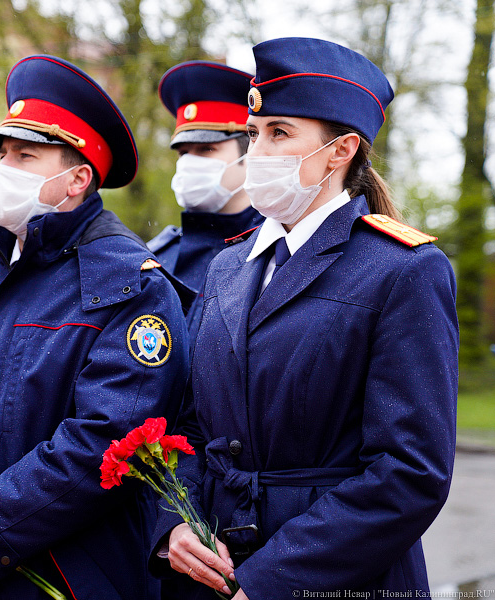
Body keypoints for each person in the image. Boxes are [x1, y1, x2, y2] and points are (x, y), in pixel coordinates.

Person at [150, 37, 459, 598]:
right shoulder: (228, 266)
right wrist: (174, 522)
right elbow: (190, 426)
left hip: (330, 578)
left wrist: (274, 580)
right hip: (211, 571)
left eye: (280, 133)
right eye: (254, 133)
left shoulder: (403, 270)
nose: (257, 152)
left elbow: (409, 472)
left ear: (341, 151)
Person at [0, 55, 191, 600]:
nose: (5, 169)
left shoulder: (130, 286)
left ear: (77, 178)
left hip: (67, 579)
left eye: (26, 155)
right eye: (4, 154)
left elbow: (103, 440)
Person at [148, 61, 263, 330]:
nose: (189, 163)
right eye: (183, 153)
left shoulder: (275, 252)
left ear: (250, 155)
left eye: (206, 149)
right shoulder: (155, 256)